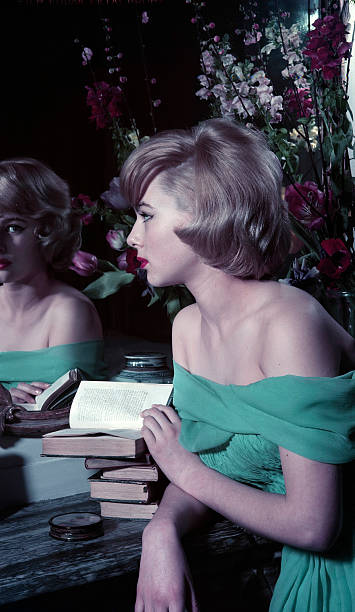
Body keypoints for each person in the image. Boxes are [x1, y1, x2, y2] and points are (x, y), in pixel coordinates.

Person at [120, 119, 355, 612]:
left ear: (206, 215)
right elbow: (208, 470)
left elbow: (315, 525)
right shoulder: (187, 327)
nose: (131, 238)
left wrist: (180, 466)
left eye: (145, 216)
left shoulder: (289, 321)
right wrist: (160, 530)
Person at [0, 157, 105, 405]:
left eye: (13, 228)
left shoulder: (69, 311)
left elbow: (69, 418)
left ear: (48, 231)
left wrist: (11, 409)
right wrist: (7, 406)